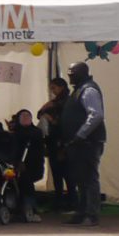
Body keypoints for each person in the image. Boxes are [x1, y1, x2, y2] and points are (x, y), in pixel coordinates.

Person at [62, 61, 107, 225]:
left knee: (89, 178)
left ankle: (91, 214)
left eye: (72, 74)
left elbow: (95, 115)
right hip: (77, 143)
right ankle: (81, 212)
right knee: (80, 178)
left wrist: (81, 134)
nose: (70, 78)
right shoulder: (78, 90)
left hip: (88, 142)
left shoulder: (89, 90)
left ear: (81, 73)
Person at [38, 76, 71, 209]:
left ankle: (69, 200)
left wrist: (49, 118)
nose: (52, 91)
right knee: (57, 173)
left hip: (61, 141)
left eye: (54, 88)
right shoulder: (56, 102)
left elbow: (61, 122)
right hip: (54, 141)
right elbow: (39, 113)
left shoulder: (65, 102)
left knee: (65, 173)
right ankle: (60, 200)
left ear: (61, 87)